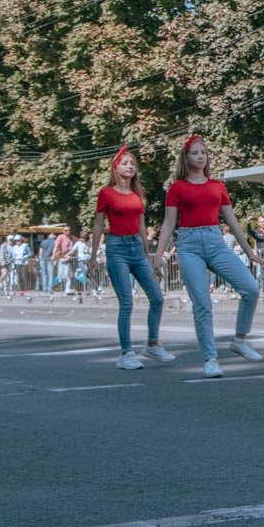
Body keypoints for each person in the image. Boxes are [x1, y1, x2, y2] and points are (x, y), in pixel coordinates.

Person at [152, 135, 264, 378]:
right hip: (189, 245)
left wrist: (249, 251)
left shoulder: (218, 186)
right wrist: (158, 256)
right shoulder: (177, 187)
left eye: (203, 152)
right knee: (202, 304)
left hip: (216, 242)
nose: (200, 156)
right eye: (194, 153)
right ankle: (211, 359)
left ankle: (240, 340)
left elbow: (232, 221)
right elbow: (169, 223)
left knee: (251, 288)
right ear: (186, 157)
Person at [89, 146, 171, 369]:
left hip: (137, 247)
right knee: (127, 303)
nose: (130, 166)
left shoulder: (137, 194)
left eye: (133, 164)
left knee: (157, 298)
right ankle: (126, 354)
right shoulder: (106, 193)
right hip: (117, 248)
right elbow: (98, 224)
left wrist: (148, 256)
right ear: (115, 168)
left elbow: (142, 225)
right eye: (125, 163)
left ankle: (152, 344)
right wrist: (93, 256)